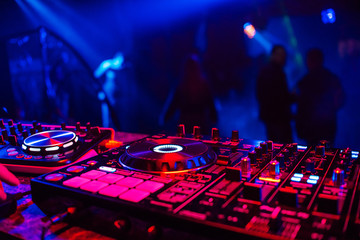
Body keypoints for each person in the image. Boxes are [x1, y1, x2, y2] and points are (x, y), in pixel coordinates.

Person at [295, 48, 345, 146]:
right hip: (327, 125)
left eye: (308, 59)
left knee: (312, 156)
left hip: (311, 127)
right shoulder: (331, 78)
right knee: (328, 155)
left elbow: (301, 106)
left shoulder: (305, 81)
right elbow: (341, 99)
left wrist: (300, 127)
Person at [163, 54, 217, 134]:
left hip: (193, 122)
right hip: (194, 123)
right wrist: (214, 117)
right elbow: (173, 103)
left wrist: (165, 118)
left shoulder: (183, 84)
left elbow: (173, 104)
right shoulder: (183, 85)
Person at [256, 45, 293, 143]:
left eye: (284, 55)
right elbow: (276, 96)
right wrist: (292, 97)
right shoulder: (271, 72)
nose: (283, 58)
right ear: (273, 55)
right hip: (277, 118)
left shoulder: (271, 71)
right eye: (281, 55)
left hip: (273, 117)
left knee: (276, 147)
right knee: (283, 147)